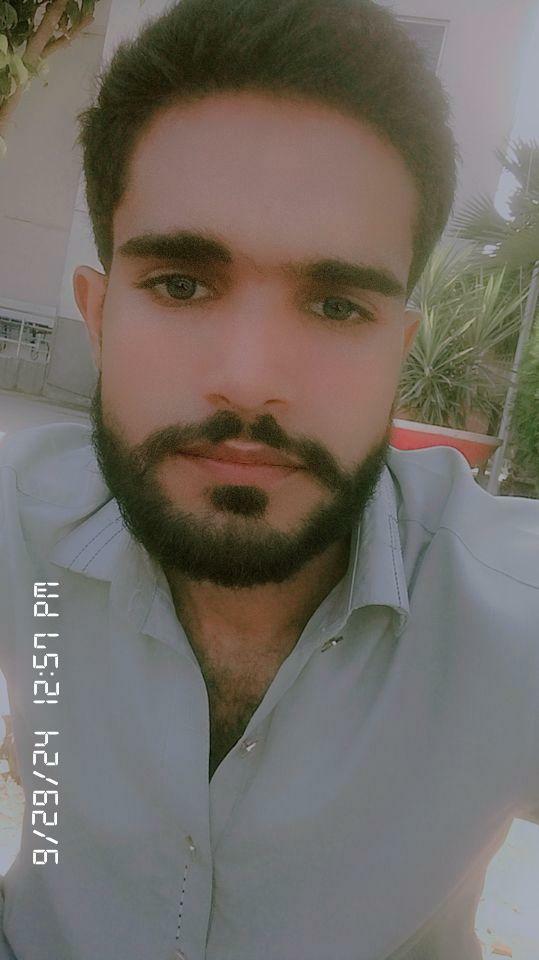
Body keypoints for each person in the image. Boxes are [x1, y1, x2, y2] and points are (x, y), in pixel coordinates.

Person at [0, 0, 538, 957]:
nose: (249, 380)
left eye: (335, 305)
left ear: (399, 350)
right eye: (180, 285)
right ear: (99, 315)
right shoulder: (17, 519)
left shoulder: (511, 616)